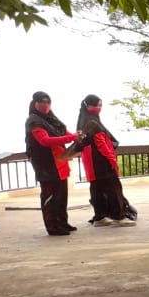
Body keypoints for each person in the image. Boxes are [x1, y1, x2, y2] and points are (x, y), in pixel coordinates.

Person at [25, 91, 83, 236]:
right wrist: (69, 138)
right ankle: (53, 227)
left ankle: (62, 222)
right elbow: (44, 141)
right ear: (35, 103)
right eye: (42, 102)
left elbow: (66, 133)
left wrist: (76, 137)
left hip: (59, 162)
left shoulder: (52, 119)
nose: (45, 105)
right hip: (46, 166)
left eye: (48, 102)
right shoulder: (34, 121)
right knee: (50, 197)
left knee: (61, 196)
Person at [72, 95, 136, 227]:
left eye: (100, 105)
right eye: (96, 105)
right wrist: (112, 159)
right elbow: (100, 143)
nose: (99, 108)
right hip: (100, 159)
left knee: (97, 188)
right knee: (113, 186)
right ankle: (119, 216)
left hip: (90, 160)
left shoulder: (82, 119)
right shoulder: (91, 122)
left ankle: (100, 217)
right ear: (87, 105)